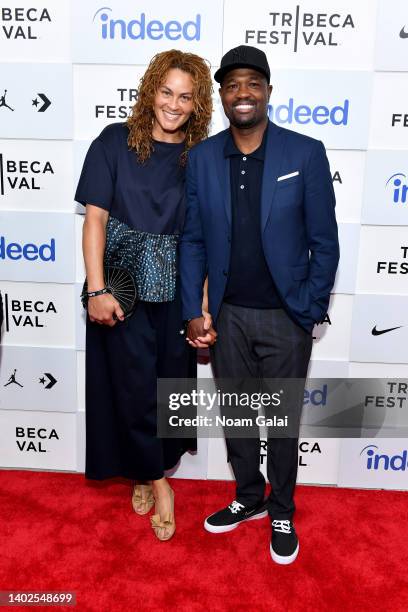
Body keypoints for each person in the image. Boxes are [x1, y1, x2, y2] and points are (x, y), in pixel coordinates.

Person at [180, 45, 339, 564]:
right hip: (227, 317)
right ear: (222, 96)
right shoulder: (203, 158)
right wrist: (194, 311)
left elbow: (324, 240)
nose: (242, 93)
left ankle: (282, 506)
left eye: (252, 83)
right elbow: (194, 241)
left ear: (268, 90)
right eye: (232, 85)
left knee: (282, 421)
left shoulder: (305, 153)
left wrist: (310, 309)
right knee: (240, 417)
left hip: (286, 318)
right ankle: (248, 495)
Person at [75, 50, 213, 541]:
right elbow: (95, 219)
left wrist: (200, 308)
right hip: (123, 292)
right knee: (131, 391)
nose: (173, 104)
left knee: (170, 393)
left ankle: (145, 469)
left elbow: (200, 239)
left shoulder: (199, 159)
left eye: (185, 96)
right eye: (166, 91)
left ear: (197, 105)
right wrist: (96, 289)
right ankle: (159, 484)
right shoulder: (113, 142)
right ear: (150, 90)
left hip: (175, 293)